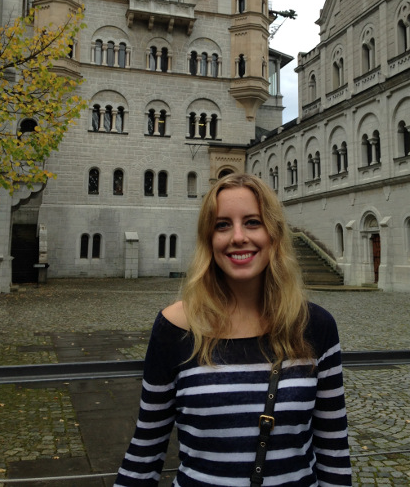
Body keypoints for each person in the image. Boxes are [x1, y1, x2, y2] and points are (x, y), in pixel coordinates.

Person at [114, 173, 351, 486]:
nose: (238, 236)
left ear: (274, 234)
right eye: (222, 224)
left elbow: (333, 452)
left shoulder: (315, 327)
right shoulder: (175, 328)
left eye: (252, 222)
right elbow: (146, 450)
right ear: (208, 239)